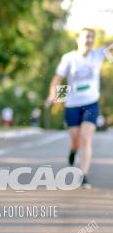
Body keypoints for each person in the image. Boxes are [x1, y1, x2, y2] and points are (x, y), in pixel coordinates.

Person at [47, 27, 112, 188]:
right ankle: (73, 152)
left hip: (91, 103)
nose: (89, 39)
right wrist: (54, 97)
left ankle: (83, 175)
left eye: (92, 37)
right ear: (78, 39)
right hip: (72, 104)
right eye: (86, 36)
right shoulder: (68, 58)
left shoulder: (98, 54)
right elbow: (58, 79)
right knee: (76, 141)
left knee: (86, 138)